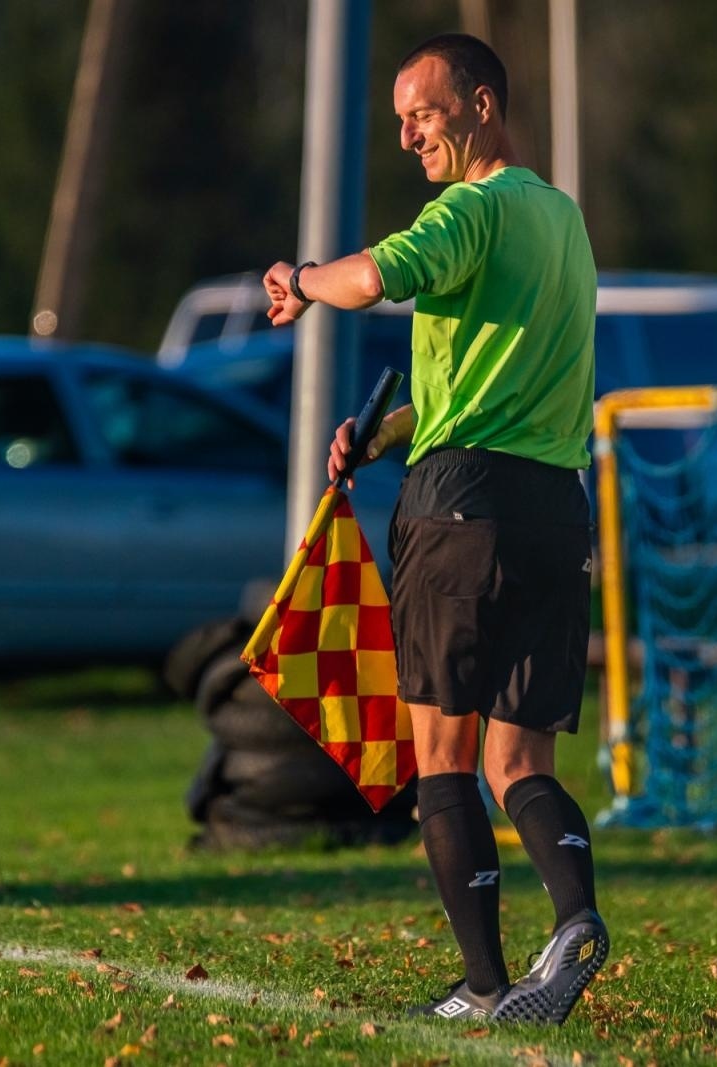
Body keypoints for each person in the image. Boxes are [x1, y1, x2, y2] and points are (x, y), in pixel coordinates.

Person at [260, 34, 606, 1023]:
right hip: (552, 505)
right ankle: (575, 918)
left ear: (481, 105)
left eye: (424, 113)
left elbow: (381, 277)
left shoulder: (472, 207)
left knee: (443, 755)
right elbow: (492, 380)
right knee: (518, 764)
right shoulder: (563, 220)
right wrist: (387, 433)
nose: (411, 135)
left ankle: (486, 982)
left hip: (458, 508)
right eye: (403, 120)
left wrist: (304, 277)